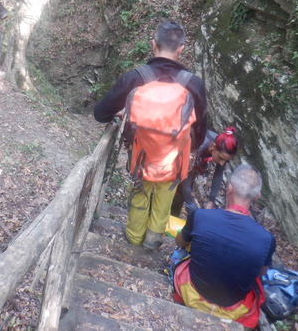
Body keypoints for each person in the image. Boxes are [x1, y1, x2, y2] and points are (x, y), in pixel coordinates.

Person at [94, 19, 208, 249]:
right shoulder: (194, 84)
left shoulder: (135, 78)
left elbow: (100, 113)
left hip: (141, 157)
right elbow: (201, 130)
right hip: (174, 161)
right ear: (181, 49)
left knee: (140, 195)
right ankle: (152, 241)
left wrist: (123, 114)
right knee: (164, 199)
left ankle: (133, 239)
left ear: (153, 44)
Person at [173, 164, 275, 328]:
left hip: (192, 295)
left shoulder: (201, 216)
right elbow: (260, 273)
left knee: (185, 250)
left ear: (229, 188)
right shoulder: (267, 239)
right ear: (257, 197)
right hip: (234, 309)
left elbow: (179, 242)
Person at [178, 126, 239, 214]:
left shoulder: (222, 146)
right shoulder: (199, 147)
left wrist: (211, 201)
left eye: (226, 160)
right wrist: (190, 204)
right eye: (221, 158)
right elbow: (185, 180)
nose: (222, 163)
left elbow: (218, 174)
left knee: (181, 198)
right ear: (213, 146)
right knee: (178, 193)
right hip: (178, 156)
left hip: (193, 161)